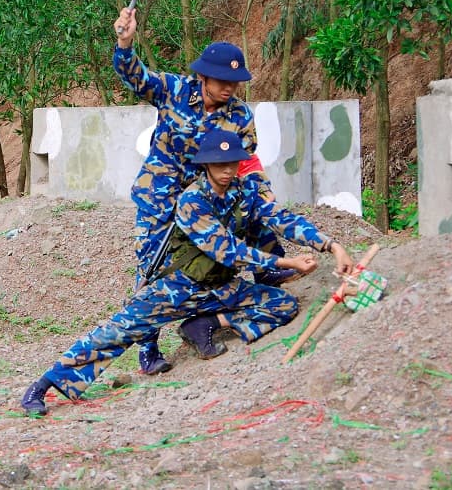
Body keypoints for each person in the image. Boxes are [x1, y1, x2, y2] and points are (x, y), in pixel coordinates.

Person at [19, 130, 354, 416]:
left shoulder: (245, 193)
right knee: (114, 333)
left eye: (232, 164)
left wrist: (331, 245)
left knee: (282, 305)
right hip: (177, 288)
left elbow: (282, 219)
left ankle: (205, 325)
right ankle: (42, 387)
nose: (226, 170)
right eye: (219, 164)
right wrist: (285, 263)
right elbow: (225, 249)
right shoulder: (192, 200)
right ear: (206, 165)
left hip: (221, 288)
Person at [112, 8, 287, 374]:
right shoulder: (175, 90)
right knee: (152, 268)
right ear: (203, 75)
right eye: (222, 80)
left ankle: (269, 274)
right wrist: (125, 43)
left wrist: (263, 193)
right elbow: (136, 78)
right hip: (158, 197)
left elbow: (246, 162)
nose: (229, 88)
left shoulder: (239, 116)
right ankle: (148, 350)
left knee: (251, 211)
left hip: (207, 198)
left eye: (234, 82)